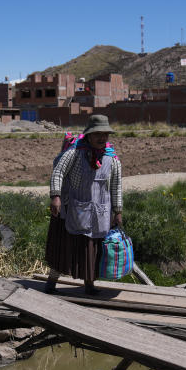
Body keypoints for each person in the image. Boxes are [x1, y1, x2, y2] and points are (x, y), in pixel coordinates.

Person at [44, 114, 122, 295]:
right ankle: (51, 282)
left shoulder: (112, 158)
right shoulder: (75, 153)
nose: (102, 138)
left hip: (99, 212)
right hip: (72, 209)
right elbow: (58, 173)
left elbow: (117, 186)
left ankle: (89, 285)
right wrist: (55, 196)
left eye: (105, 134)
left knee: (91, 250)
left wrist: (117, 211)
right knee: (64, 248)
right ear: (89, 135)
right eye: (98, 134)